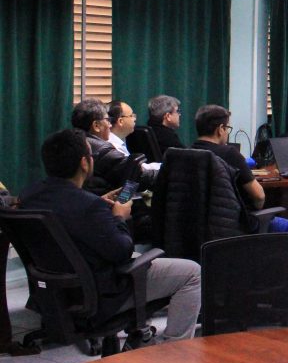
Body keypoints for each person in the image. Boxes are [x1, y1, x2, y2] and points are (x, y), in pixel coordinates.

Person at [20, 129, 201, 343]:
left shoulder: (29, 196)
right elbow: (122, 252)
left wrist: (98, 202)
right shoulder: (88, 207)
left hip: (54, 295)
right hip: (100, 295)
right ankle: (174, 351)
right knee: (191, 272)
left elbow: (69, 216)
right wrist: (119, 217)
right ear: (85, 163)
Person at [191, 105, 288, 234]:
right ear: (220, 129)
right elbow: (259, 196)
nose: (227, 132)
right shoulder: (229, 154)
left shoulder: (189, 153)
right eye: (227, 128)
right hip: (241, 224)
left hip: (202, 227)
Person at [71, 98, 155, 195]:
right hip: (104, 206)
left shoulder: (74, 142)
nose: (110, 125)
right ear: (96, 126)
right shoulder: (102, 151)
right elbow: (141, 177)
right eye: (107, 120)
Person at [107, 100, 161, 171]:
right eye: (131, 115)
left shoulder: (122, 139)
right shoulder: (112, 146)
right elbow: (137, 169)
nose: (134, 119)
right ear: (120, 121)